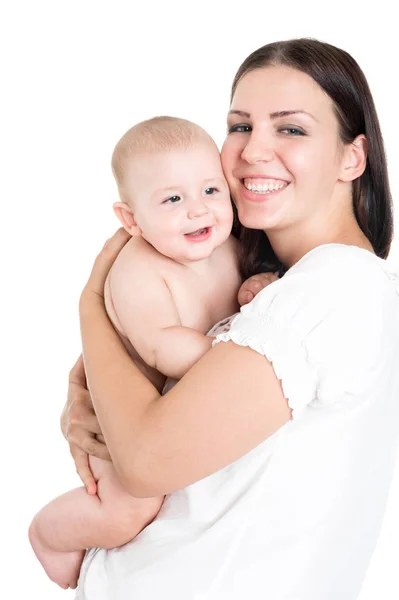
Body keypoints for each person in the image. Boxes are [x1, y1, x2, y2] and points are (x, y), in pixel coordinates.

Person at [64, 38, 399, 599]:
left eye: (290, 129)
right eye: (240, 125)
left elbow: (146, 459)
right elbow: (117, 411)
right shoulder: (267, 286)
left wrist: (91, 307)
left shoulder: (337, 284)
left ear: (352, 158)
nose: (250, 152)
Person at [29, 116, 264, 590]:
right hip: (118, 422)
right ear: (131, 219)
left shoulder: (230, 247)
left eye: (211, 191)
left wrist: (259, 286)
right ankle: (49, 534)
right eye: (173, 199)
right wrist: (229, 355)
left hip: (171, 420)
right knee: (129, 509)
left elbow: (248, 289)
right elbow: (161, 345)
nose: (198, 211)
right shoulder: (137, 269)